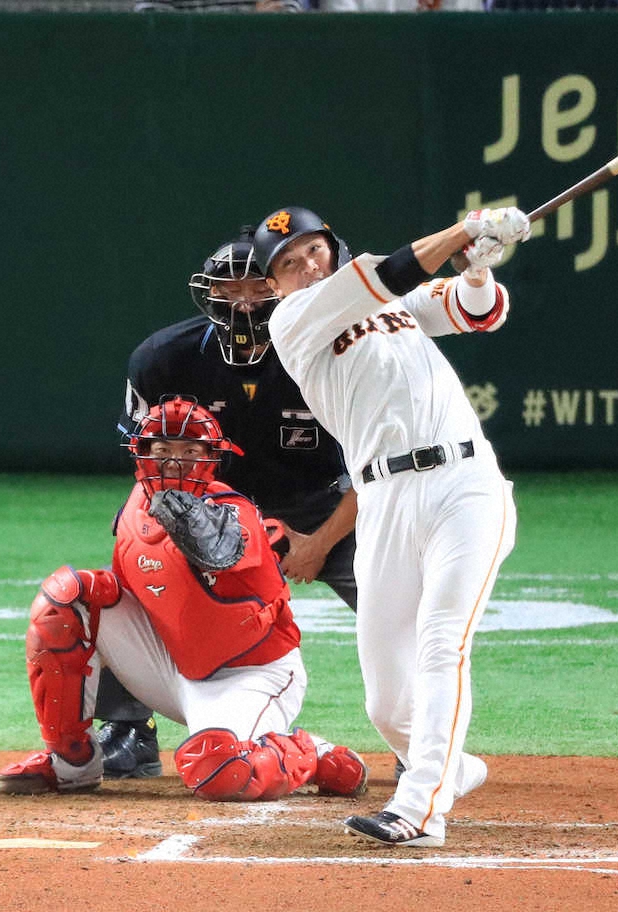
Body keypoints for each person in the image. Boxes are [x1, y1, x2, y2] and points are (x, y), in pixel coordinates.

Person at [252, 204, 528, 846]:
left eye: (314, 249)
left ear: (332, 246)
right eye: (288, 263)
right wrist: (465, 230)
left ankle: (420, 808)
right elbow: (392, 271)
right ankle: (451, 767)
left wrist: (477, 269)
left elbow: (479, 312)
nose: (307, 265)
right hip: (383, 502)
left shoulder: (390, 299)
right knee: (386, 702)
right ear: (272, 286)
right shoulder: (295, 319)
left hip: (466, 485)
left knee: (441, 642)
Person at [0, 396, 367, 802]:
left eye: (190, 452)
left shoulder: (234, 511)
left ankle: (309, 753)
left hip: (251, 675)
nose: (174, 463)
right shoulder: (134, 509)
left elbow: (225, 549)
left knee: (218, 772)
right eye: (162, 450)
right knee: (66, 598)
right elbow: (124, 594)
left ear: (211, 459)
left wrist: (197, 525)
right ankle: (71, 763)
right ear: (142, 455)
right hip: (169, 663)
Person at [95, 227, 359, 779]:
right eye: (228, 289)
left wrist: (318, 545)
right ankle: (127, 728)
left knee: (393, 601)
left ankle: (418, 740)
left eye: (256, 288)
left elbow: (372, 472)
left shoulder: (335, 354)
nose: (243, 303)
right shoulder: (163, 359)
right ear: (207, 292)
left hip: (316, 506)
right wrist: (163, 526)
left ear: (280, 286)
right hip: (205, 506)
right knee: (134, 567)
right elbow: (144, 458)